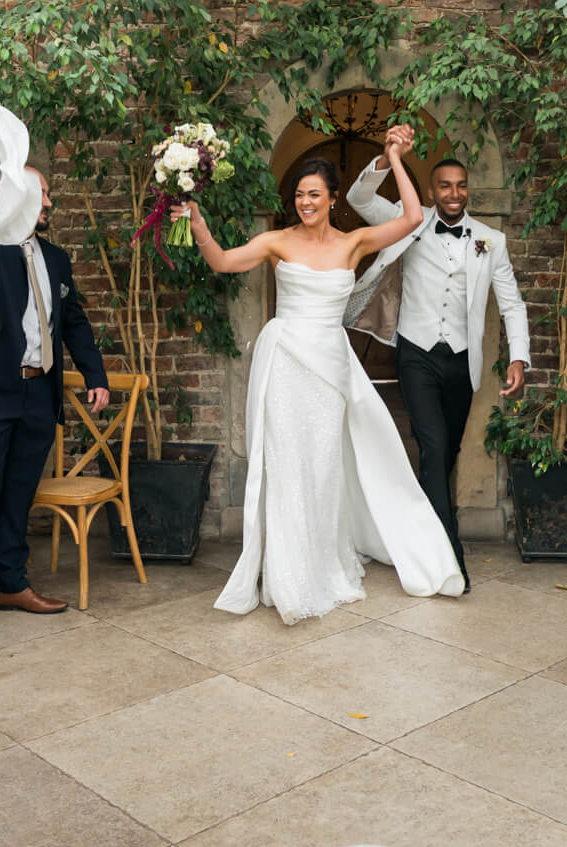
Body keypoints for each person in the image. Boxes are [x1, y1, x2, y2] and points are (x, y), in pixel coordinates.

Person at [180, 126, 466, 623]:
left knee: (323, 465)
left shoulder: (354, 243)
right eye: (299, 195)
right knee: (287, 465)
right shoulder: (277, 240)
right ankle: (288, 569)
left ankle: (324, 558)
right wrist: (198, 222)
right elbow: (224, 261)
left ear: (333, 200)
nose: (305, 202)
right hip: (286, 361)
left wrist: (393, 157)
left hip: (329, 369)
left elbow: (414, 216)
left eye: (314, 194)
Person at [0, 102, 108, 643]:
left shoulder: (55, 258)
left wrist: (95, 374)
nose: (48, 203)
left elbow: (74, 321)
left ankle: (12, 582)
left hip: (39, 392)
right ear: (17, 197)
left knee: (17, 493)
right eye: (40, 195)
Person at [343, 149, 530, 586]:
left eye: (461, 186)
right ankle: (450, 554)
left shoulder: (490, 240)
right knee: (432, 447)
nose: (454, 193)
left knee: (446, 454)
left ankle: (420, 533)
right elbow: (359, 197)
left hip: (462, 362)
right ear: (431, 190)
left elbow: (512, 301)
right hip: (415, 354)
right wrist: (390, 157)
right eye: (445, 186)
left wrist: (519, 355)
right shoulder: (409, 220)